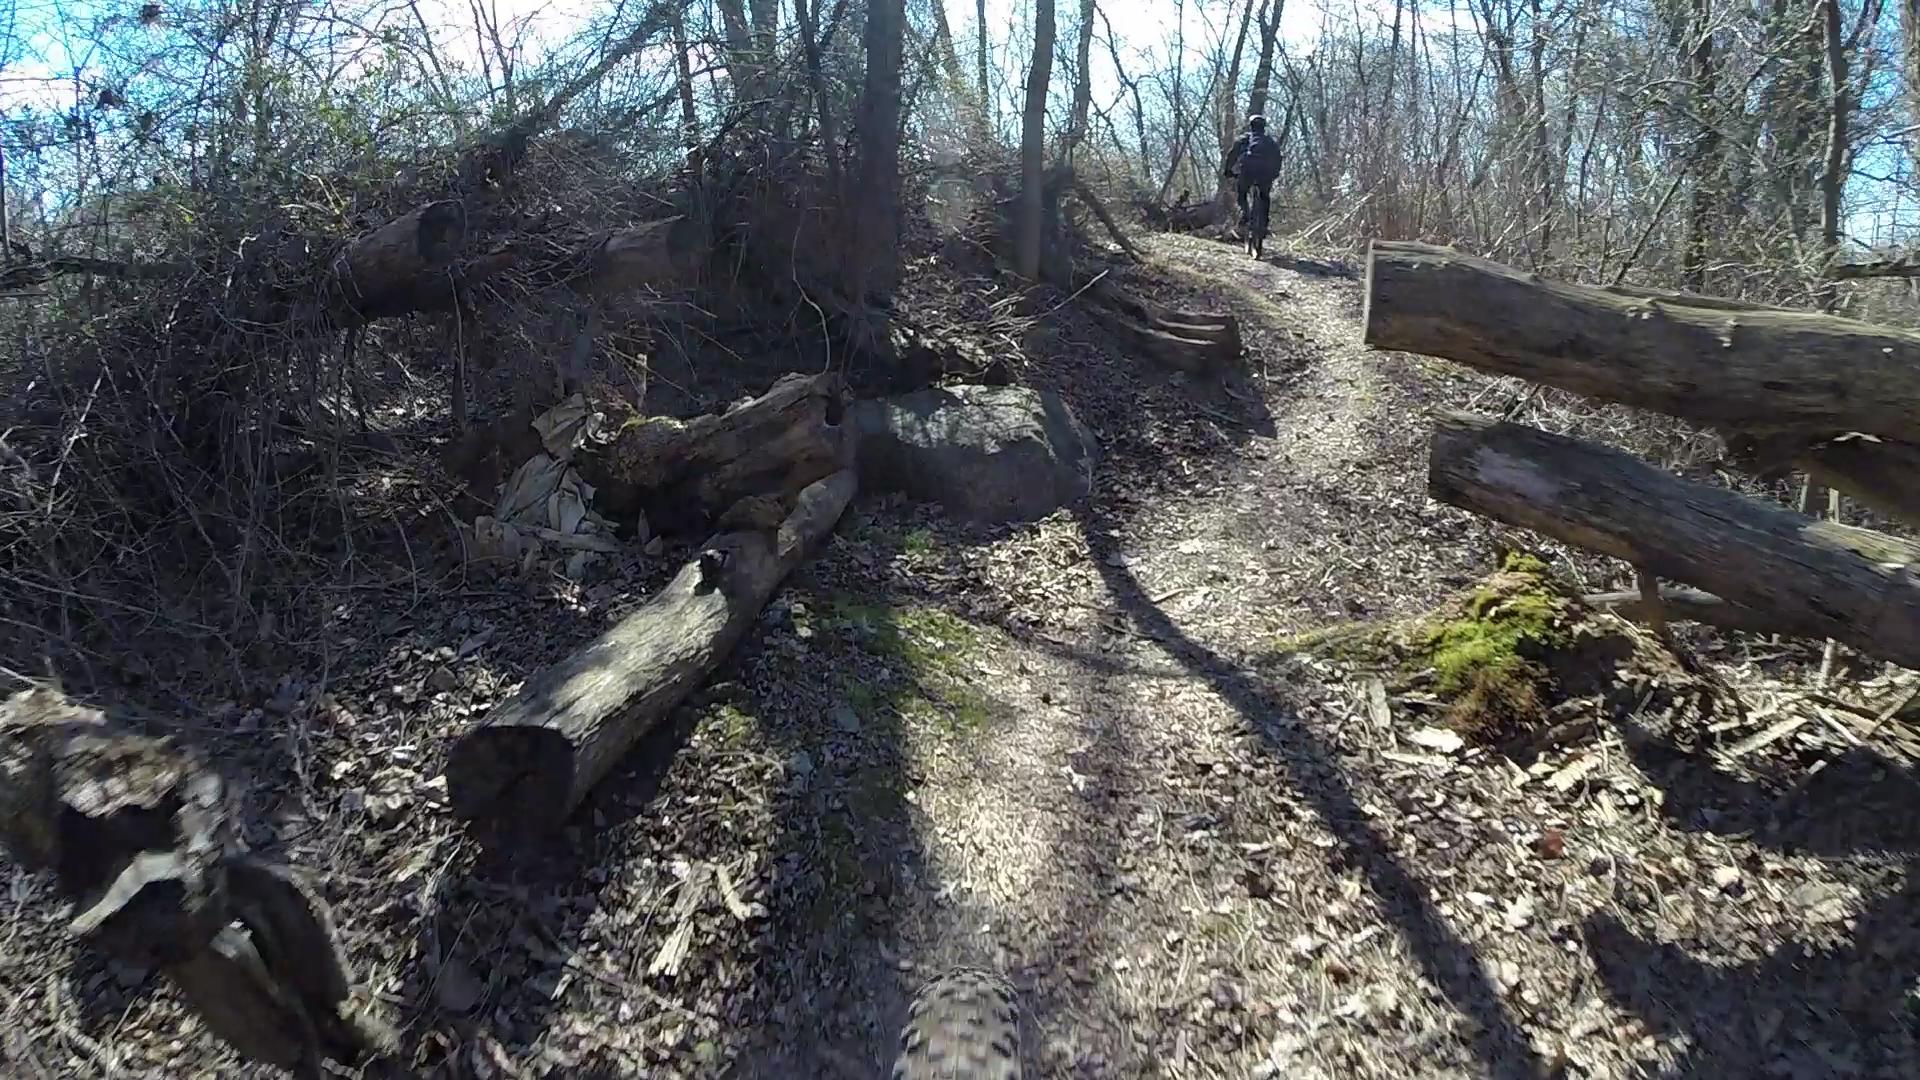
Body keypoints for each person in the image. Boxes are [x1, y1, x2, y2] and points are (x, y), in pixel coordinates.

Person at [1221, 114, 1282, 233]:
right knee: (1264, 196)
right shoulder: (1270, 141)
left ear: (1251, 126)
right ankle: (1264, 224)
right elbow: (1278, 158)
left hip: (1248, 170)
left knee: (1242, 192)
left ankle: (1245, 214)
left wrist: (1228, 171)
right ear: (1264, 127)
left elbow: (1232, 155)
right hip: (1265, 173)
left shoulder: (1244, 139)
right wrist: (1275, 173)